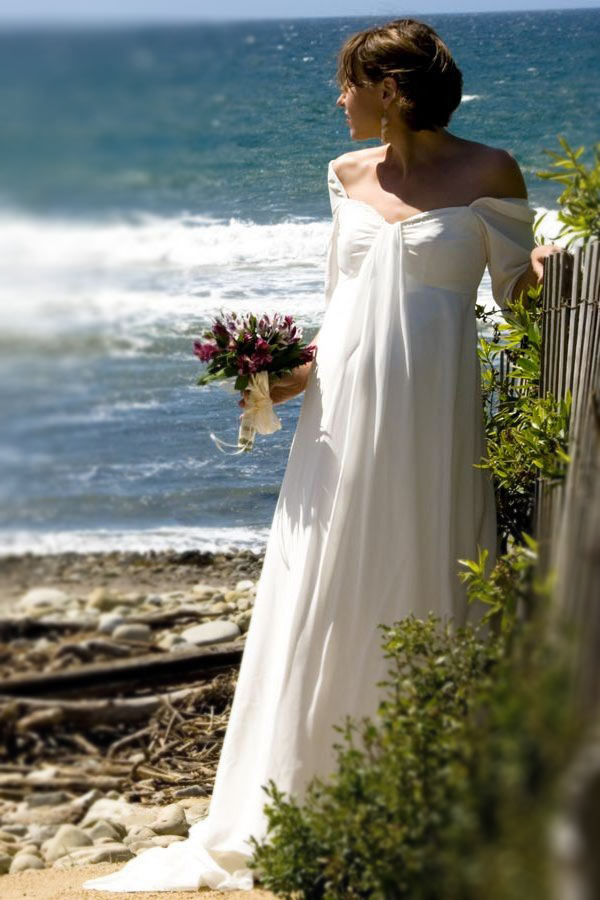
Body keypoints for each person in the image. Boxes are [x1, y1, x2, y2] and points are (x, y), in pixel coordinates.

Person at [83, 17, 560, 893]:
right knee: (326, 580)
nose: (337, 100)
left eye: (348, 84)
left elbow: (516, 296)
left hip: (432, 417)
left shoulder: (490, 171)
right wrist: (283, 373)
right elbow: (341, 302)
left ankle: (421, 794)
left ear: (389, 90)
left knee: (423, 559)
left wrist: (545, 261)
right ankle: (306, 791)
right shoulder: (344, 175)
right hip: (337, 420)